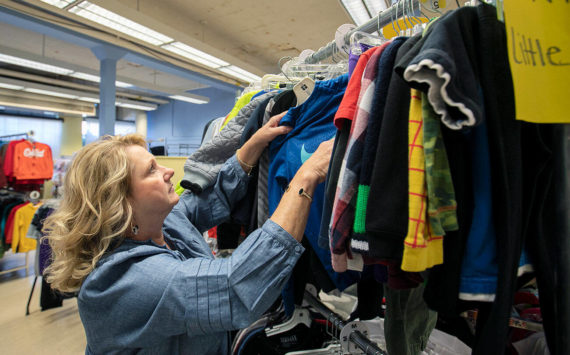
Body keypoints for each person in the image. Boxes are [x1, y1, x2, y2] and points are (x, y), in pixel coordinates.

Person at [43, 112, 334, 355]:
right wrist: (306, 177)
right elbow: (236, 287)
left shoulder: (162, 224)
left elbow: (212, 198)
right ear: (121, 203)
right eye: (151, 171)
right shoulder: (125, 280)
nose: (168, 172)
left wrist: (253, 144)